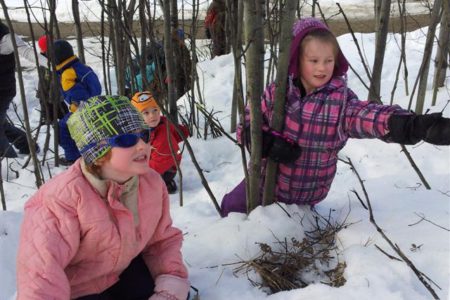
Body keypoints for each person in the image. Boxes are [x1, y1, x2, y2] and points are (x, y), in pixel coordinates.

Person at [220, 17, 450, 217]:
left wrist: (412, 126)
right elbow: (249, 121)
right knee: (230, 208)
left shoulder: (340, 103)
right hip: (263, 183)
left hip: (305, 193)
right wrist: (264, 140)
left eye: (328, 61)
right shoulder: (277, 92)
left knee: (288, 233)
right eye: (314, 61)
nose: (322, 68)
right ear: (296, 61)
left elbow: (369, 116)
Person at [16, 95, 190, 300]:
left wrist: (170, 284)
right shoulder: (61, 199)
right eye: (127, 139)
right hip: (76, 287)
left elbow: (161, 241)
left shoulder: (150, 183)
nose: (142, 145)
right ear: (98, 154)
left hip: (121, 269)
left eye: (143, 135)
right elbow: (42, 273)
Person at [0, 20, 47, 157]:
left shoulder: (5, 37)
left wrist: (54, 65)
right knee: (2, 125)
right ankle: (28, 145)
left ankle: (8, 162)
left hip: (3, 90)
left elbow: (27, 52)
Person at [54, 39, 102, 165]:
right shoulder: (82, 67)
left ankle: (72, 159)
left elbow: (78, 95)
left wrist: (75, 107)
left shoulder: (67, 74)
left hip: (82, 109)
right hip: (95, 104)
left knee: (62, 129)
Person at [131, 91, 190, 194]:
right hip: (151, 160)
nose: (152, 115)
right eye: (146, 113)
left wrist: (138, 171)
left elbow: (160, 164)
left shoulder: (163, 136)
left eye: (155, 110)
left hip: (165, 168)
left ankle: (164, 183)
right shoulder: (142, 129)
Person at [36, 35, 68, 125]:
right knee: (48, 118)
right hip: (48, 96)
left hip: (53, 96)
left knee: (65, 115)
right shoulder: (46, 61)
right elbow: (47, 82)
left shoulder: (49, 59)